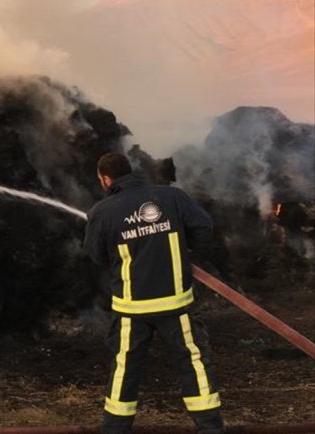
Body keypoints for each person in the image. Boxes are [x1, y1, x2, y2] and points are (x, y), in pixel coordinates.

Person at [83, 152, 224, 434]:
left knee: (125, 370)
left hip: (131, 310)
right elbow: (204, 227)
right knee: (193, 365)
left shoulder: (103, 211)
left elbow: (95, 255)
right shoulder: (171, 197)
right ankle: (210, 428)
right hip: (175, 303)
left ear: (106, 179)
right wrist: (184, 246)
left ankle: (114, 429)